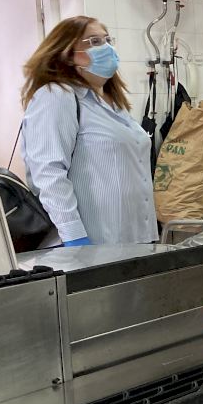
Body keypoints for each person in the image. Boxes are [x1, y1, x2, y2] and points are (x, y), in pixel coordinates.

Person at [21, 16, 157, 247]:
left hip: (135, 237)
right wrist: (74, 236)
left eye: (107, 40)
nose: (106, 48)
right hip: (90, 242)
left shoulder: (112, 102)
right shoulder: (57, 96)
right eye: (94, 41)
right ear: (67, 53)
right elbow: (48, 172)